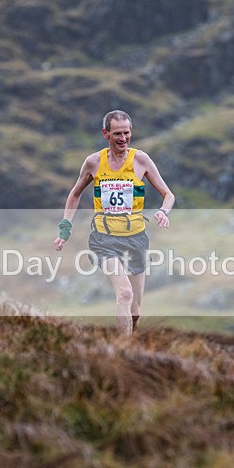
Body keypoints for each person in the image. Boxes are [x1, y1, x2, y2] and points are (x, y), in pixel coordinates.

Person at [54, 110, 175, 336]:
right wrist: (65, 228)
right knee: (125, 294)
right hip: (104, 239)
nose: (122, 139)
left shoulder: (141, 160)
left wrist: (163, 212)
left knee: (136, 310)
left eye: (126, 133)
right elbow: (74, 194)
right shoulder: (93, 162)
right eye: (117, 133)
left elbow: (168, 195)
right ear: (106, 134)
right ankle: (121, 351)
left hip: (136, 239)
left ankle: (130, 340)